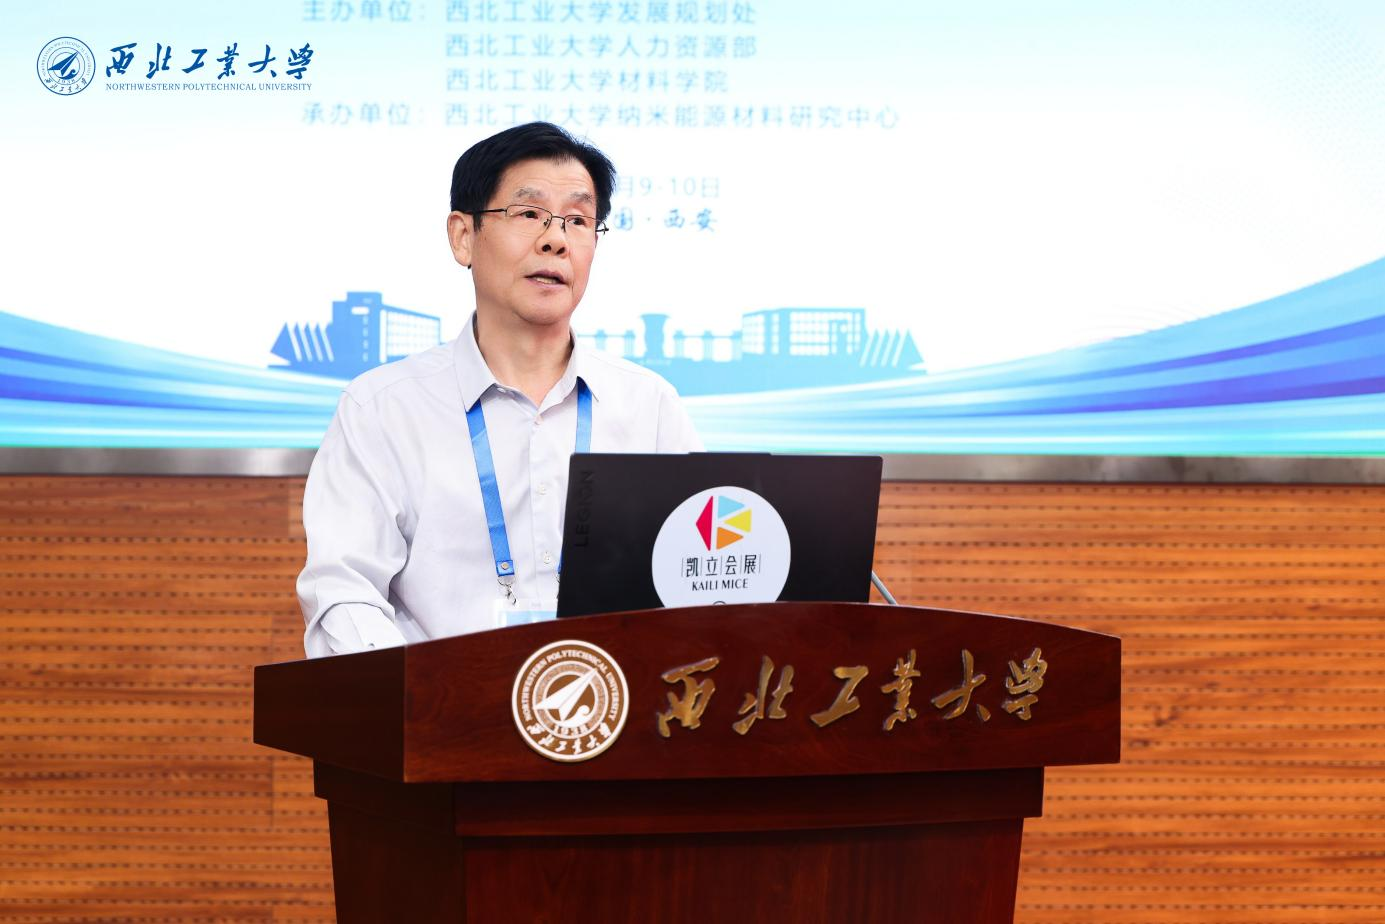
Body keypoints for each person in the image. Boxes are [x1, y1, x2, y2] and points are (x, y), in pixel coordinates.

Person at [297, 122, 702, 657]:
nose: (556, 239)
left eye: (579, 220)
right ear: (463, 236)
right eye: (529, 213)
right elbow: (344, 592)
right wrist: (427, 692)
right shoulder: (382, 409)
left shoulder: (649, 406)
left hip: (614, 700)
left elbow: (695, 582)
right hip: (442, 703)